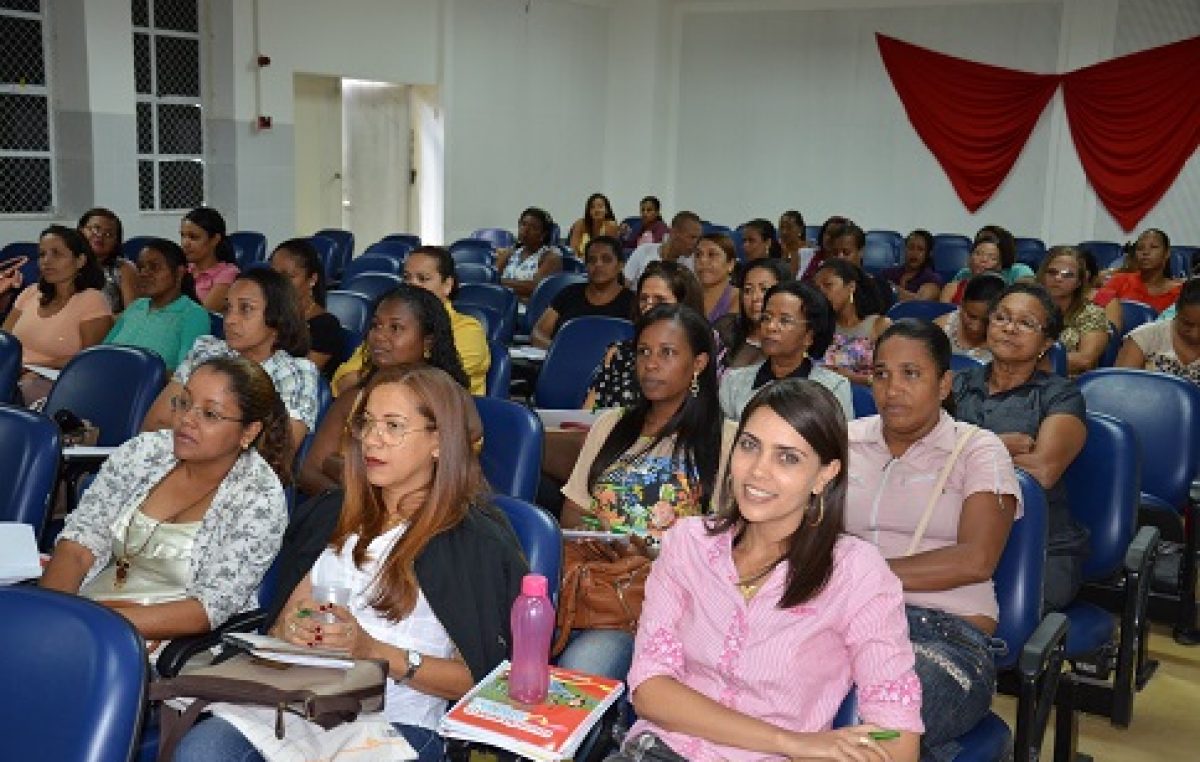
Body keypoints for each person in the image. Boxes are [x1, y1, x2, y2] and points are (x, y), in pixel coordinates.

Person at [173, 365, 529, 762]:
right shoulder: (332, 513)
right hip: (300, 704)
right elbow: (279, 626)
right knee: (202, 751)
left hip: (396, 723)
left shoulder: (473, 540)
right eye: (367, 423)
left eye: (393, 426)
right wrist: (291, 631)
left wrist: (374, 650)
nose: (372, 440)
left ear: (439, 442)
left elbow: (482, 682)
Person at [607, 379, 922, 762]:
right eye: (749, 445)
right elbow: (651, 690)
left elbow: (898, 735)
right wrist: (791, 742)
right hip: (661, 751)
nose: (758, 471)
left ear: (825, 474)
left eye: (787, 457)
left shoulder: (856, 574)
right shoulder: (688, 545)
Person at [846, 320, 1018, 759]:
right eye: (881, 374)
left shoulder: (978, 449)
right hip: (843, 620)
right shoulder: (845, 440)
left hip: (944, 636)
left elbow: (975, 560)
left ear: (944, 385)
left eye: (911, 374)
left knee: (878, 724)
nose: (891, 388)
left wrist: (858, 575)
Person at [41, 356, 290, 645]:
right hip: (84, 615)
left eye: (210, 414)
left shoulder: (259, 497)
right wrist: (53, 614)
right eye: (183, 403)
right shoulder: (144, 452)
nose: (187, 420)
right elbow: (78, 544)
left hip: (167, 640)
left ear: (249, 431)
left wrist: (95, 625)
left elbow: (208, 608)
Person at [560, 304, 738, 682]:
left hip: (666, 603)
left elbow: (728, 548)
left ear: (699, 364)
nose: (651, 364)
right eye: (644, 352)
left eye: (667, 353)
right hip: (596, 584)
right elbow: (572, 516)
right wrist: (608, 543)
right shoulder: (611, 424)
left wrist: (651, 553)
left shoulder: (725, 440)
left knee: (582, 667)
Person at [952, 283, 1089, 610]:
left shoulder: (1060, 395)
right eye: (1001, 317)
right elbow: (918, 455)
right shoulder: (956, 384)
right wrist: (999, 445)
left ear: (1046, 343)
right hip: (955, 534)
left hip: (1037, 545)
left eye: (1026, 323)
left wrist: (956, 451)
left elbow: (1041, 471)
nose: (1010, 328)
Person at [298, 285, 469, 497]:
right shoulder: (352, 398)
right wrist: (356, 502)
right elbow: (309, 471)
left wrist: (342, 468)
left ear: (428, 341)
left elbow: (445, 479)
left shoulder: (448, 400)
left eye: (395, 328)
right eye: (376, 325)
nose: (379, 336)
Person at [141, 268, 319, 463]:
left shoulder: (294, 373)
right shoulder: (207, 351)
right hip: (171, 465)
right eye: (228, 308)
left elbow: (274, 456)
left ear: (278, 316)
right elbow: (154, 424)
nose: (230, 320)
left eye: (246, 309)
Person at [333, 245, 488, 396]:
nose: (412, 285)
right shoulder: (384, 325)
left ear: (447, 285)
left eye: (423, 279)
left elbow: (429, 387)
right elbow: (343, 381)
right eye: (407, 277)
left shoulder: (468, 330)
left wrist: (369, 378)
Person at [2, 225, 113, 402]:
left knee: (26, 388)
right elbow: (4, 342)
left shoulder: (92, 300)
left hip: (57, 380)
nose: (46, 261)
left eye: (56, 254)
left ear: (80, 261)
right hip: (12, 374)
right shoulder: (30, 293)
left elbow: (90, 360)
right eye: (42, 254)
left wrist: (33, 366)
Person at [719, 280, 854, 422]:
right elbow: (725, 439)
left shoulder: (833, 387)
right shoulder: (734, 382)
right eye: (766, 318)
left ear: (809, 335)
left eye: (784, 321)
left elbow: (838, 442)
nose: (771, 327)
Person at [583, 260, 704, 411]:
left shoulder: (697, 357)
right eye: (644, 299)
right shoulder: (618, 354)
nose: (649, 306)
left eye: (660, 300)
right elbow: (588, 414)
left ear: (683, 305)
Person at [103, 237, 211, 372]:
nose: (143, 273)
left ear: (179, 273)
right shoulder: (135, 306)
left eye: (154, 267)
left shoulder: (193, 314)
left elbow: (185, 375)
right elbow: (104, 351)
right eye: (141, 267)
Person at [531, 235, 634, 348]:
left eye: (606, 259)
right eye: (592, 260)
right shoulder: (569, 294)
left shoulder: (632, 302)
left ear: (620, 265)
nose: (598, 265)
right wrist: (557, 350)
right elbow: (539, 332)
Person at [269, 238, 344, 375]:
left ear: (312, 280)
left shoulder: (325, 327)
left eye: (289, 276)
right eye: (274, 275)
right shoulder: (270, 315)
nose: (278, 283)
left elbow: (302, 375)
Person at [814, 258, 891, 385]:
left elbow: (891, 375)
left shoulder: (880, 325)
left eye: (828, 285)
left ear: (851, 287)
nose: (821, 292)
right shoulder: (819, 326)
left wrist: (853, 378)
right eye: (817, 287)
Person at [1038, 246, 1109, 375]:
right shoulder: (1028, 307)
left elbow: (1085, 360)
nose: (1058, 278)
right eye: (1052, 272)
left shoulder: (1092, 314)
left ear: (1079, 282)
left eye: (1068, 275)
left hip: (1067, 385)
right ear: (1042, 276)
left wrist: (1026, 361)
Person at [713, 259, 792, 373]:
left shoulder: (793, 342)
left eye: (764, 289)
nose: (755, 297)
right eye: (748, 290)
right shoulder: (726, 328)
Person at [1117, 277, 1200, 385]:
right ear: (1176, 310)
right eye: (1187, 324)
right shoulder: (1144, 337)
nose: (1195, 334)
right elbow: (1119, 389)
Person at [1094, 228, 1182, 314]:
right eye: (1140, 248)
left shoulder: (1180, 292)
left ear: (1167, 253)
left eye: (1153, 247)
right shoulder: (1119, 281)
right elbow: (1096, 311)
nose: (1145, 252)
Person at [941, 228, 1034, 304]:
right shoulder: (962, 276)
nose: (983, 260)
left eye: (992, 257)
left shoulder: (1019, 271)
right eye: (978, 253)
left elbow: (1028, 294)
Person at [934, 273, 1007, 362]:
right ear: (962, 305)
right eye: (971, 316)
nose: (976, 328)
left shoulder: (1006, 343)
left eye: (987, 321)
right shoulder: (941, 329)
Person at [825, 220, 896, 312]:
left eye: (846, 253)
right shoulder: (822, 285)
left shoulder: (878, 287)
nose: (840, 258)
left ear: (861, 252)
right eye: (835, 253)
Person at [494, 207, 562, 300]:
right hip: (501, 303)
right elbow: (491, 277)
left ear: (543, 234)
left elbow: (534, 287)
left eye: (533, 227)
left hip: (529, 309)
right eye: (523, 224)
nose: (525, 230)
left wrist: (500, 282)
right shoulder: (510, 252)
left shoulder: (550, 257)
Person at [181, 206, 240, 312]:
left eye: (193, 237)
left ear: (215, 240)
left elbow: (203, 315)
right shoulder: (182, 270)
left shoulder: (228, 273)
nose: (185, 243)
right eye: (183, 236)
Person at [78, 207, 137, 312]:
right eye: (95, 229)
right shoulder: (65, 265)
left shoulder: (124, 268)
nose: (100, 236)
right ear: (81, 230)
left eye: (108, 234)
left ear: (116, 241)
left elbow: (133, 315)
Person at [623, 210, 702, 284]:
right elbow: (623, 286)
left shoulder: (692, 263)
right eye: (692, 237)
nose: (696, 243)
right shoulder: (644, 251)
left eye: (698, 238)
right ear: (673, 233)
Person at [884, 229, 943, 302]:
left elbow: (920, 301)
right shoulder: (888, 273)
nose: (914, 253)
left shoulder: (932, 278)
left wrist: (892, 288)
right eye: (911, 248)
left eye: (920, 249)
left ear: (928, 253)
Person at [693, 232, 738, 323]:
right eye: (698, 255)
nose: (703, 260)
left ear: (731, 264)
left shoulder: (740, 299)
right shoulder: (686, 296)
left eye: (712, 255)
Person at [778, 209, 816, 278]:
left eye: (789, 227)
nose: (784, 232)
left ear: (800, 229)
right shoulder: (775, 249)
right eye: (781, 227)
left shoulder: (810, 251)